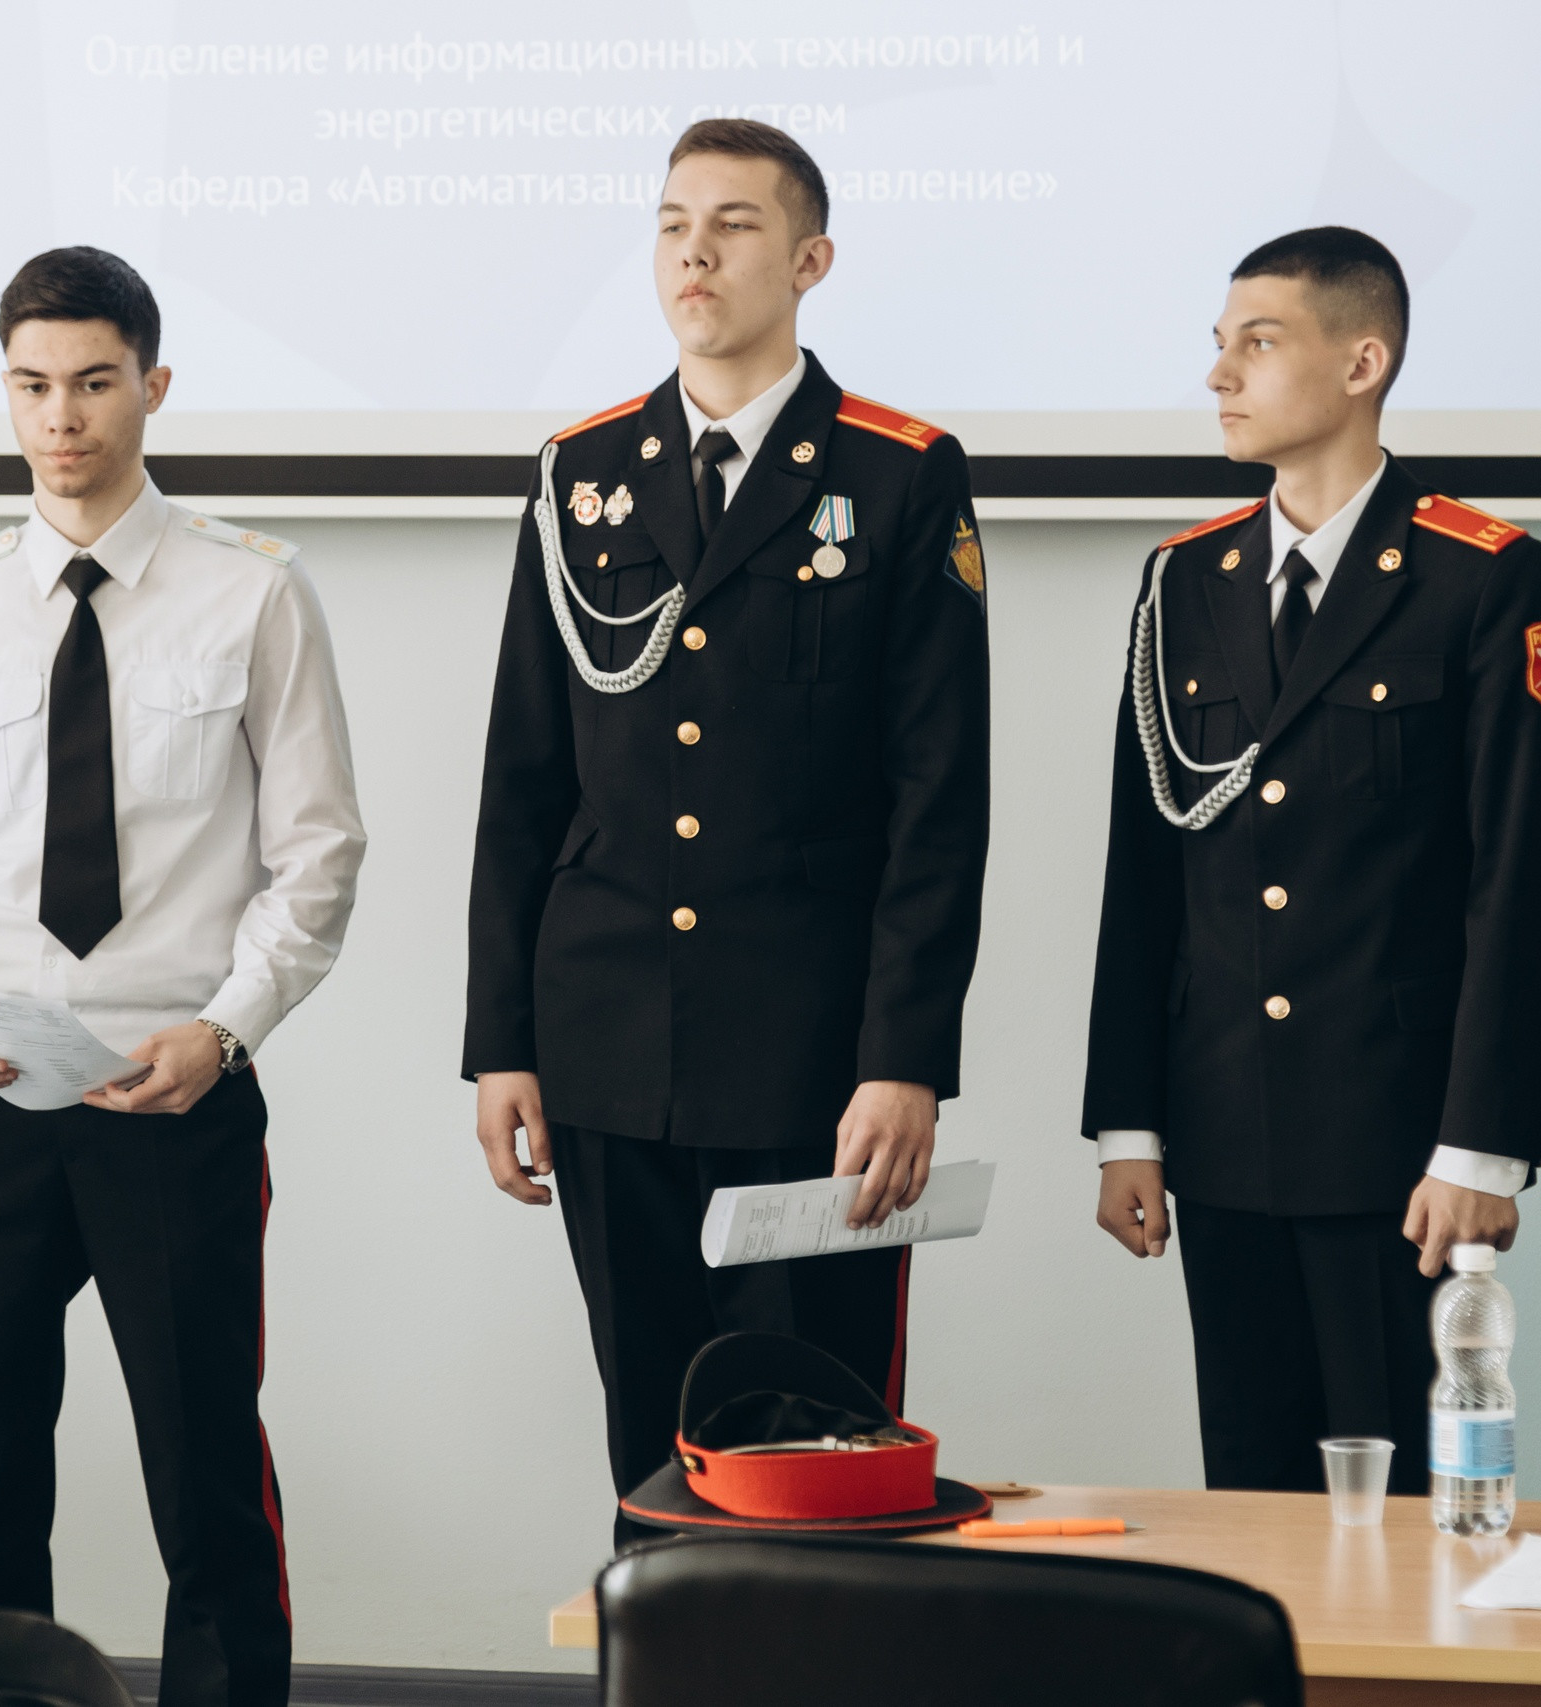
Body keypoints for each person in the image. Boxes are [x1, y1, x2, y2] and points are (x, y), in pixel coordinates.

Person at [0, 248, 365, 1707]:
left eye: (91, 382)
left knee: (205, 1464)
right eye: (31, 386)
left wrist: (226, 1030)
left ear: (153, 385)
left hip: (171, 1092)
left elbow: (318, 853)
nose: (60, 417)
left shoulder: (252, 592)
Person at [463, 120, 992, 1540]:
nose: (693, 251)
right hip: (606, 1046)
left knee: (819, 1446)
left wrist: (902, 1058)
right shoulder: (581, 471)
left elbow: (939, 801)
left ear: (811, 262)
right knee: (652, 1442)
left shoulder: (899, 474)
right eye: (672, 222)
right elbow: (524, 778)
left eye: (735, 224)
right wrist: (502, 1039)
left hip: (812, 1061)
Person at [1079, 227, 1541, 1494]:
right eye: (1218, 345)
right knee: (1253, 1496)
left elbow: (1525, 885)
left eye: (1257, 344)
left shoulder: (1483, 575)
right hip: (1222, 1128)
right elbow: (1145, 873)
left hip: (1400, 1143)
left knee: (1410, 1506)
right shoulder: (1182, 579)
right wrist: (1128, 1124)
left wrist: (1480, 1148)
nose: (1219, 375)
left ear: (1363, 363)